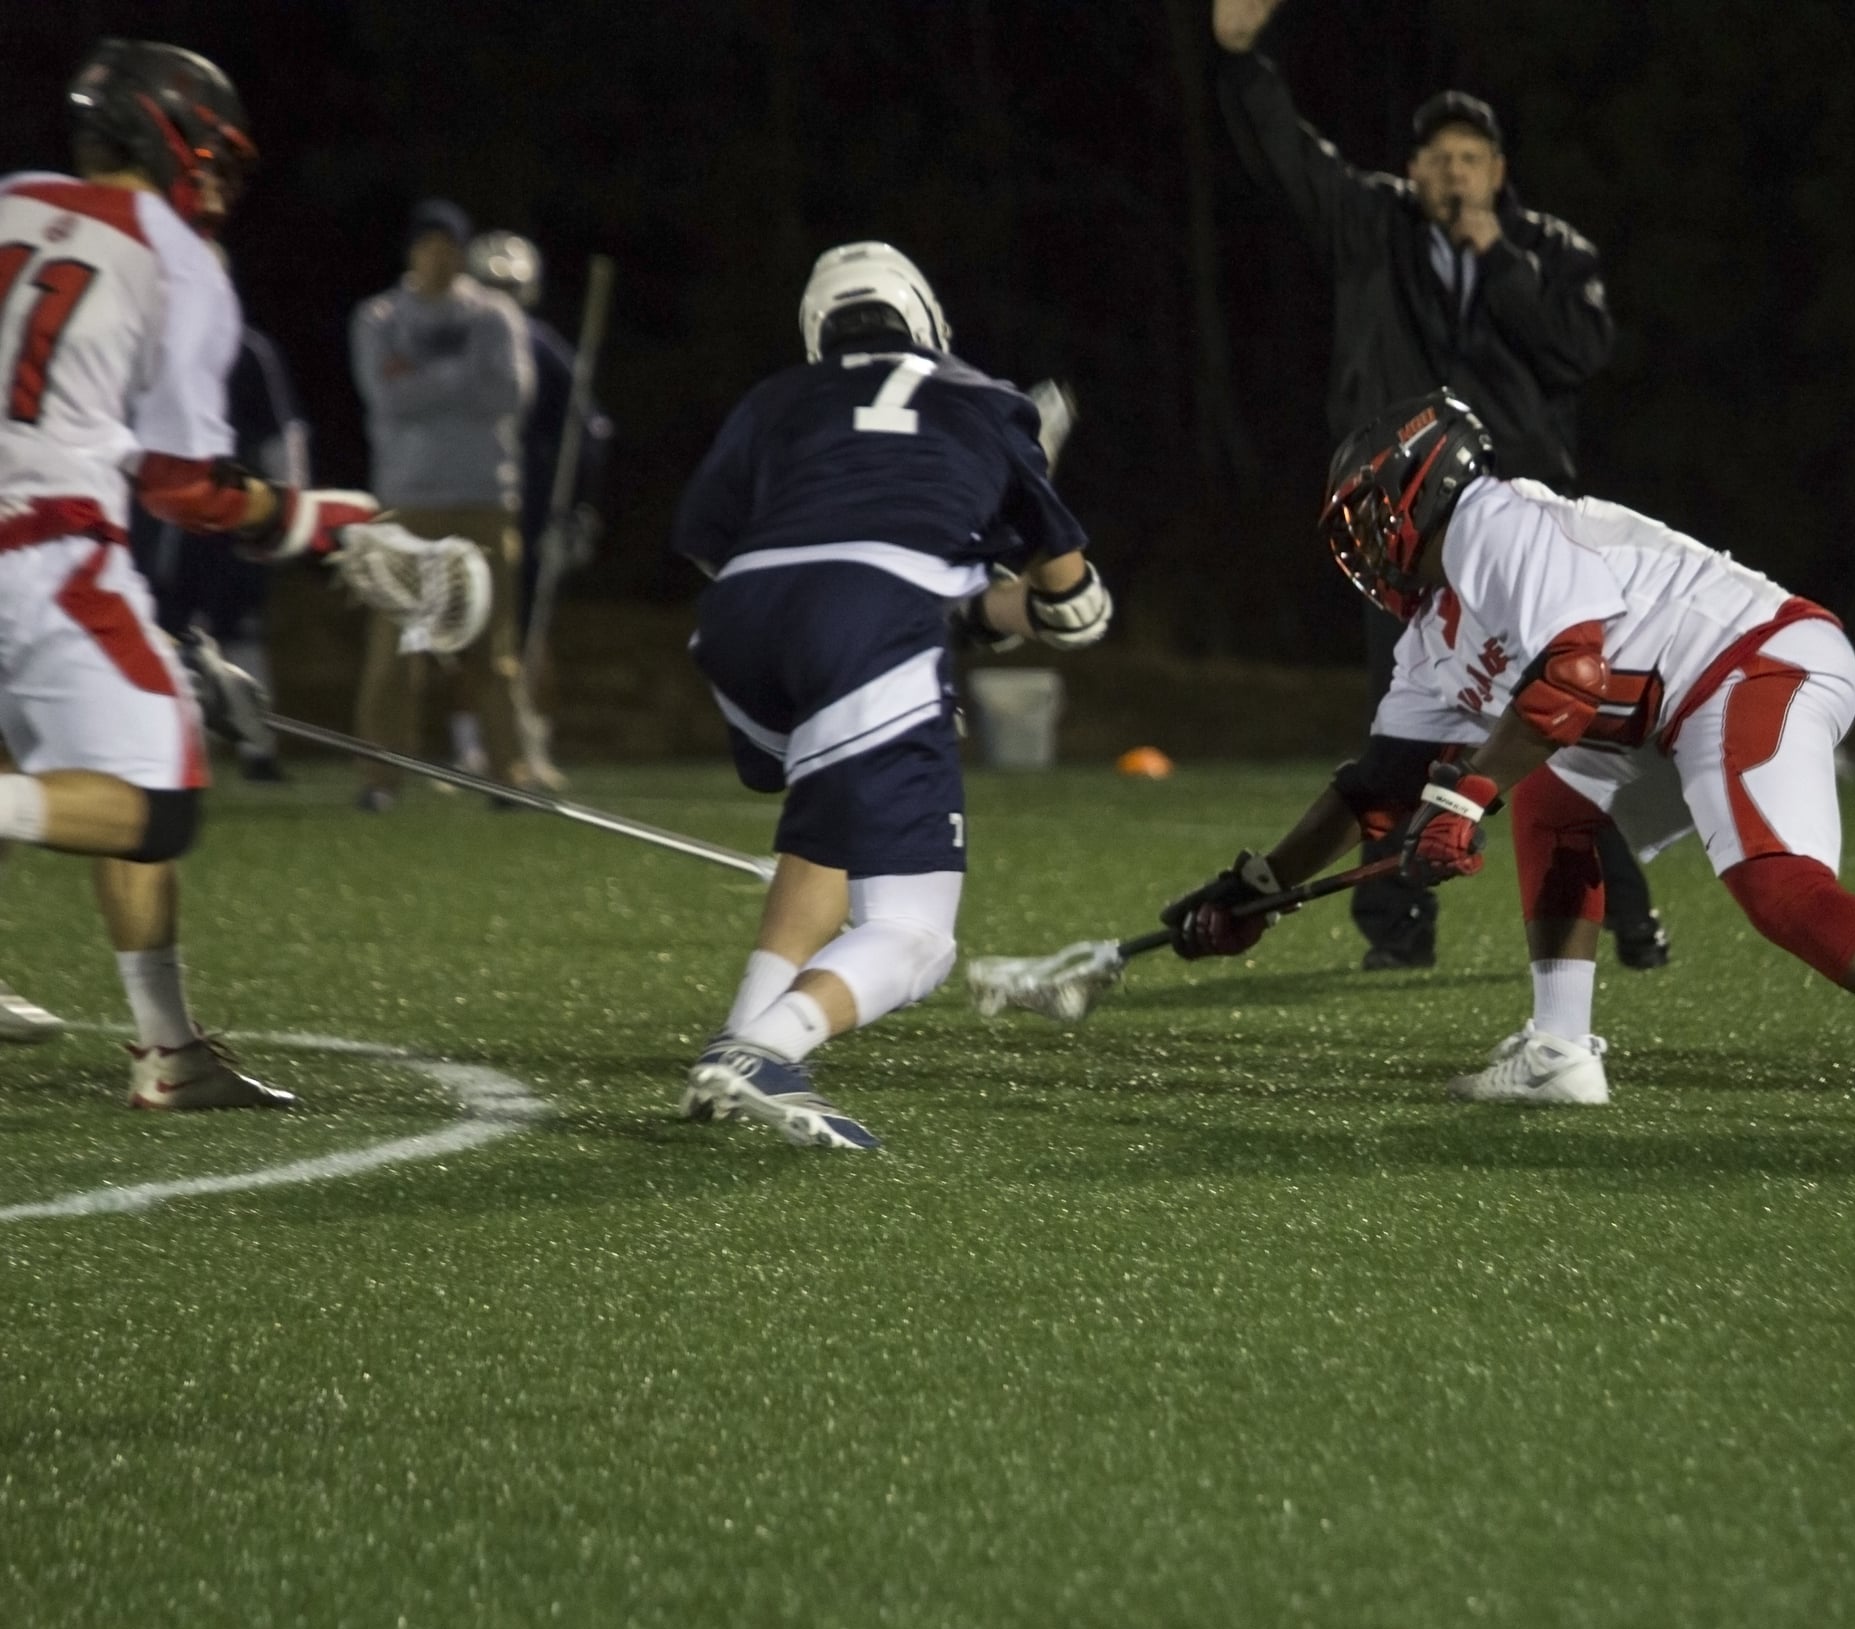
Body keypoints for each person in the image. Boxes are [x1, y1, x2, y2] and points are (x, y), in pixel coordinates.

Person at [1164, 392, 1855, 1132]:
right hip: (1670, 706)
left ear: (1420, 484)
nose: (1358, 543)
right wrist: (1256, 889)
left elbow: (1573, 674)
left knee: (1774, 884)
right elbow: (1375, 785)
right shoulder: (1431, 631)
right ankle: (1558, 1052)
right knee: (1554, 797)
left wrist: (1468, 796)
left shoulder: (1493, 520)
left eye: (1365, 512)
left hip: (1752, 659)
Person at [1211, 0, 1666, 974]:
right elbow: (1286, 158)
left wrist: (1494, 254)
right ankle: (1396, 930)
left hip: (1529, 534)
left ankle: (1631, 918)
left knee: (1576, 717)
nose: (1451, 170)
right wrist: (1243, 58)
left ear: (1497, 172)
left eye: (1469, 157)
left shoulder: (1547, 249)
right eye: (1436, 156)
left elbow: (1579, 351)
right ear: (1410, 168)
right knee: (1403, 721)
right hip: (1412, 535)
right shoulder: (1372, 221)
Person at [0, 40, 381, 1106]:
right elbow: (182, 486)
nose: (215, 176)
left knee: (81, 745)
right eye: (210, 150)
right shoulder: (175, 256)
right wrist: (311, 515)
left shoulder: (14, 199)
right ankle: (169, 1054)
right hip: (41, 547)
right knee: (151, 798)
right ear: (167, 132)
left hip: (38, 548)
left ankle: (170, 1052)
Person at [671, 242, 1112, 1148]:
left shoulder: (777, 400)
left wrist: (946, 604)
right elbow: (1065, 599)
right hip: (868, 623)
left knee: (830, 818)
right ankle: (772, 1045)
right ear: (926, 320)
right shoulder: (988, 400)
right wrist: (1062, 607)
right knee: (915, 933)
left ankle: (739, 1032)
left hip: (739, 623)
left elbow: (707, 536)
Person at [349, 198, 534, 808]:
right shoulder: (379, 316)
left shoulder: (494, 315)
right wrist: (460, 378)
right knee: (396, 651)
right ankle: (381, 781)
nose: (442, 256)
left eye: (451, 245)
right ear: (413, 250)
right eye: (431, 244)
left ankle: (510, 776)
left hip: (482, 500)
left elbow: (507, 392)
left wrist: (425, 377)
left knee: (491, 650)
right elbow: (389, 398)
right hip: (407, 502)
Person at [129, 312, 308, 782]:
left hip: (233, 506)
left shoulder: (246, 350)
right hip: (164, 515)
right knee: (161, 627)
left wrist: (286, 506)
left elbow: (279, 431)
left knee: (239, 626)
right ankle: (158, 750)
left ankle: (258, 748)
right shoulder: (146, 345)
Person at [467, 229, 612, 786]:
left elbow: (588, 431)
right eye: (490, 286)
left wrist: (576, 508)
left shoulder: (539, 344)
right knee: (468, 622)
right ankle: (474, 745)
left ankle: (530, 742)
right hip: (471, 497)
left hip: (527, 507)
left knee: (528, 626)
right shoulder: (460, 339)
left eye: (508, 287)